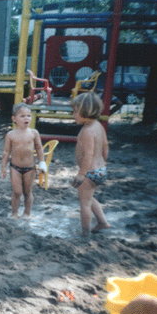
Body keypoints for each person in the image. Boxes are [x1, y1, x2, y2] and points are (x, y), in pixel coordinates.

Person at [71, 92, 111, 237]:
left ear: (85, 111)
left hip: (89, 173)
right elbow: (105, 146)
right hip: (100, 170)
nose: (73, 115)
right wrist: (103, 163)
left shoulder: (87, 131)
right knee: (90, 198)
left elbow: (88, 155)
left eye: (75, 111)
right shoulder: (98, 126)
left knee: (84, 204)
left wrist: (81, 175)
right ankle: (102, 222)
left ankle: (85, 234)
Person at [1, 103, 46, 219]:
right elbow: (6, 152)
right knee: (16, 192)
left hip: (30, 168)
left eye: (28, 115)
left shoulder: (34, 133)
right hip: (15, 167)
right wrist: (3, 168)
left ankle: (27, 213)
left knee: (27, 192)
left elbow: (39, 148)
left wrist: (42, 163)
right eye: (22, 116)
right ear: (14, 119)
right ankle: (14, 213)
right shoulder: (10, 134)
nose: (26, 118)